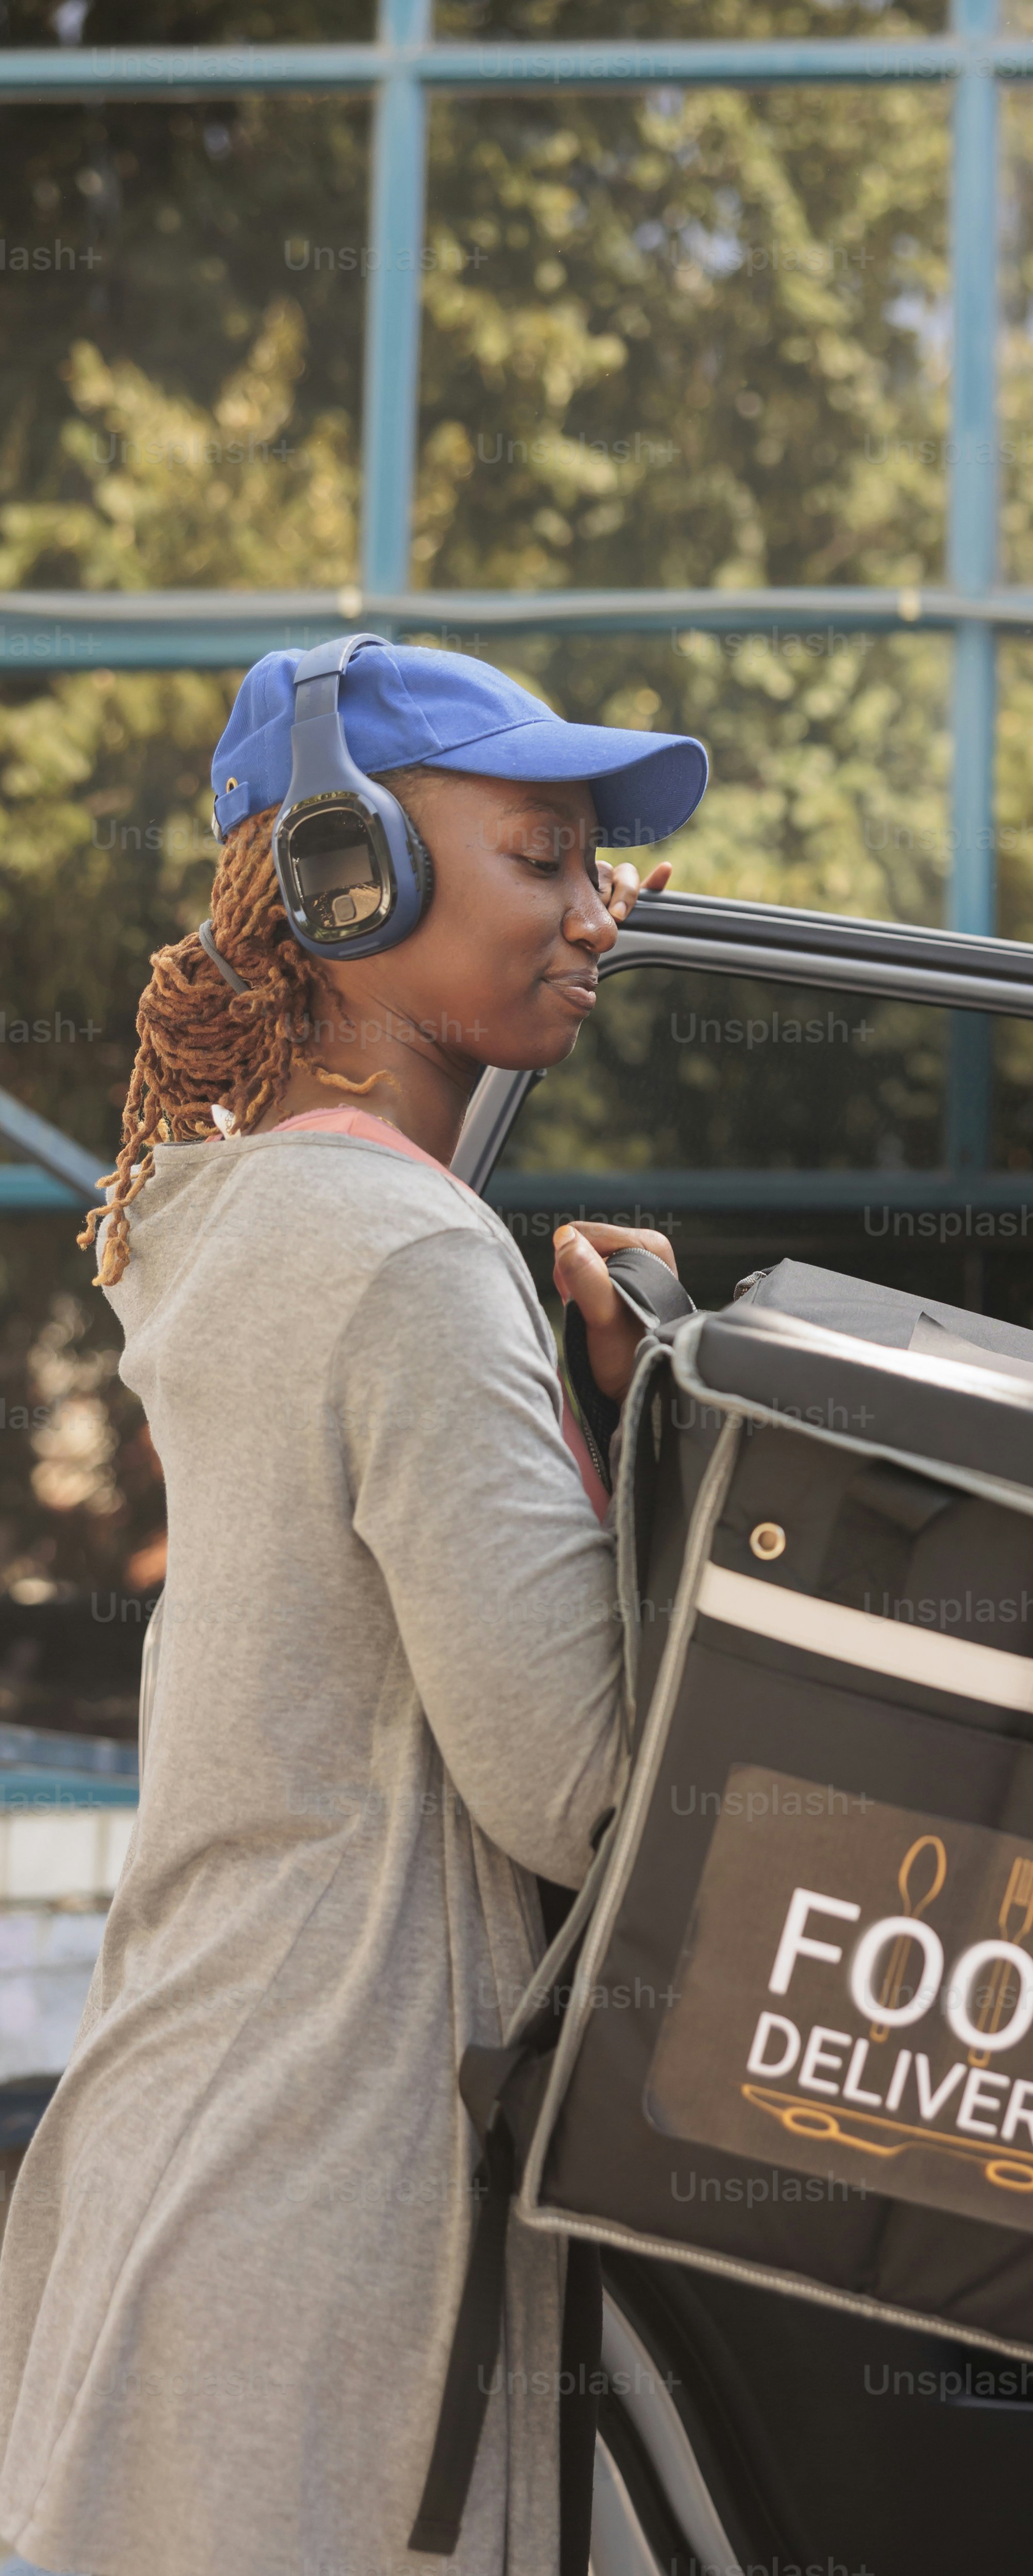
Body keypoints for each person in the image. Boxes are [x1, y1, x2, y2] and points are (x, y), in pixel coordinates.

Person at [0, 641, 708, 2576]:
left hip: (199, 2160)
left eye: (599, 867)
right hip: (319, 2221)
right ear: (345, 876)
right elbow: (578, 1786)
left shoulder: (261, 1217)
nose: (599, 911)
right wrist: (684, 1459)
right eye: (545, 856)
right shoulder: (408, 1256)